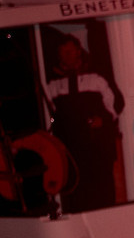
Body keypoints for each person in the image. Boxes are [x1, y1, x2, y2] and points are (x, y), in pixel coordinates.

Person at [43, 36, 122, 211]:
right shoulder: (53, 83)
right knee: (76, 199)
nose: (66, 55)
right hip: (70, 153)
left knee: (102, 198)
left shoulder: (97, 76)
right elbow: (49, 114)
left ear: (78, 51)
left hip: (97, 150)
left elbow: (116, 104)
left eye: (70, 51)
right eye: (62, 52)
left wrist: (103, 119)